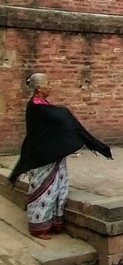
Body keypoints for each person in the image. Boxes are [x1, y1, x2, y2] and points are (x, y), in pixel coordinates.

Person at [8, 73, 113, 238]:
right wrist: (65, 115)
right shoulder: (37, 107)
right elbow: (51, 124)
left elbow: (55, 126)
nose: (50, 86)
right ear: (39, 88)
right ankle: (38, 227)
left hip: (52, 155)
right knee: (43, 192)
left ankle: (55, 222)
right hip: (42, 157)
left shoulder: (43, 104)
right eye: (48, 83)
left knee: (58, 188)